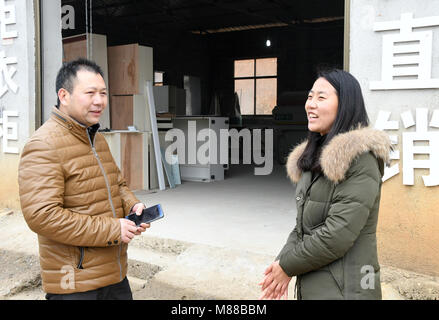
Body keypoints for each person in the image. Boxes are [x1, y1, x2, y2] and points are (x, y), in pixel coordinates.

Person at [18, 58, 150, 300]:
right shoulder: (43, 144)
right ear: (64, 95)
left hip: (114, 273)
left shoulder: (95, 137)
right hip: (75, 283)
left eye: (102, 93)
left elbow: (116, 185)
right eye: (90, 93)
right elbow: (42, 216)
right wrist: (113, 228)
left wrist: (132, 205)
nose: (99, 101)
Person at [259, 69, 391, 300]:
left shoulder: (361, 161)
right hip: (316, 283)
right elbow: (302, 227)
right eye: (310, 97)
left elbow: (336, 235)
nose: (311, 104)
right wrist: (281, 264)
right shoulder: (314, 159)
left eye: (321, 97)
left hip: (346, 288)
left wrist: (288, 267)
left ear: (345, 105)